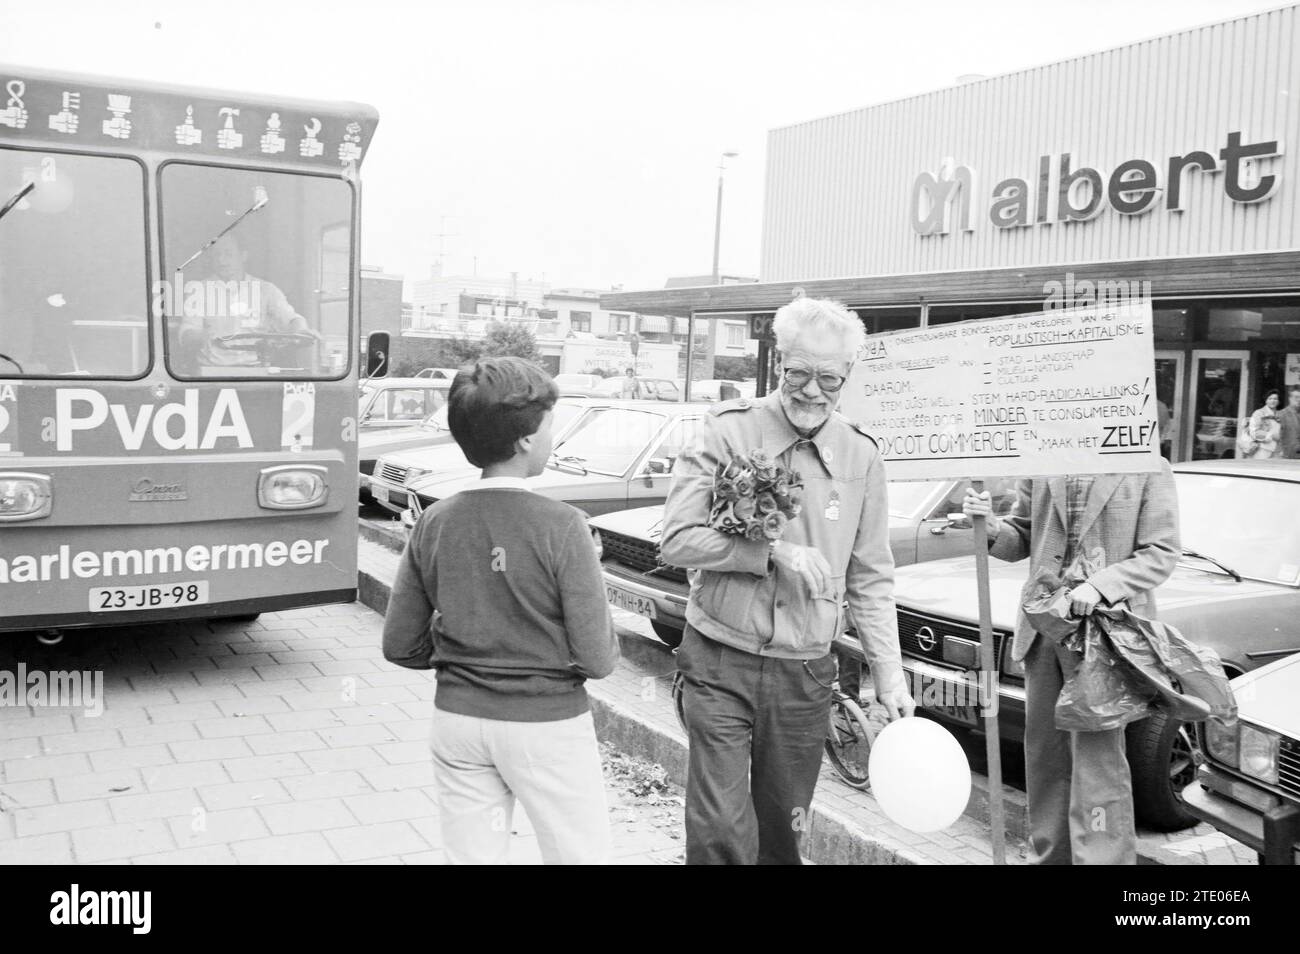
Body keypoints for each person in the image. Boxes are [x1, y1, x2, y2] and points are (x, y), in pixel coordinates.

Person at [660, 296, 914, 866]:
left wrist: (890, 677)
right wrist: (770, 550)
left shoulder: (862, 455)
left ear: (848, 375)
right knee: (719, 826)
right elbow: (676, 541)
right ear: (779, 363)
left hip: (803, 672)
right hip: (720, 659)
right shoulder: (727, 431)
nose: (811, 390)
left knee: (784, 828)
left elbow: (871, 577)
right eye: (798, 372)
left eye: (828, 377)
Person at [381, 356, 619, 864]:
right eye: (551, 427)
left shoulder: (435, 522)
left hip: (458, 721)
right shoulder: (564, 526)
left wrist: (465, 657)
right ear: (528, 441)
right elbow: (598, 658)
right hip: (548, 725)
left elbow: (399, 645)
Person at [962, 465, 1180, 865]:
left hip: (1106, 636)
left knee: (1099, 765)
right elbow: (1022, 535)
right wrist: (991, 526)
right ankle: (1051, 857)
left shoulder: (1147, 463)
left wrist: (1100, 586)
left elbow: (1161, 552)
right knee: (1045, 758)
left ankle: (1103, 860)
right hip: (1045, 628)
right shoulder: (1046, 456)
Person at [176, 233, 314, 368]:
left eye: (228, 254)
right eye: (217, 255)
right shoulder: (199, 290)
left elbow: (291, 319)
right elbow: (188, 330)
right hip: (212, 373)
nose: (221, 261)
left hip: (257, 371)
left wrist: (300, 330)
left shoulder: (266, 290)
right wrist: (200, 336)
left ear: (243, 256)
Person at [1239, 389, 1282, 458]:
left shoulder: (1280, 415)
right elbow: (1254, 432)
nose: (1273, 401)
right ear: (1266, 400)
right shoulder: (1259, 413)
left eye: (1275, 399)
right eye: (1270, 398)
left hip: (1277, 451)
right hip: (1261, 449)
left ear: (1279, 401)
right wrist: (1271, 435)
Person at [1278, 386, 1300, 459]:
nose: (1299, 400)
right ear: (1290, 399)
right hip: (1287, 457)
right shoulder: (1282, 414)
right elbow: (1277, 436)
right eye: (1296, 397)